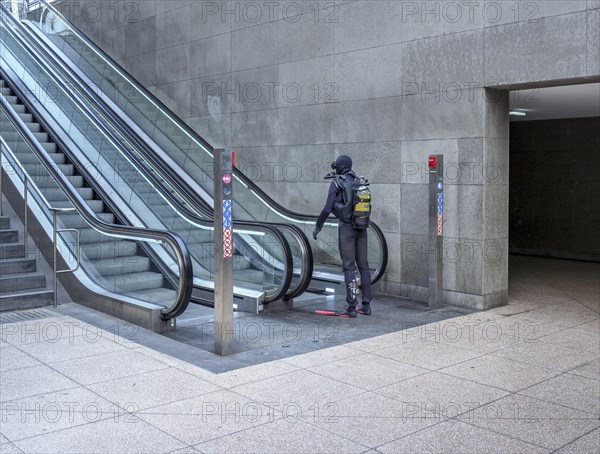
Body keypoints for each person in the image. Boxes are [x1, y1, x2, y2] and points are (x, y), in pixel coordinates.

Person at [313, 155, 372, 318]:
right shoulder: (360, 182)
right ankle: (366, 304)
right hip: (361, 227)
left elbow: (326, 209)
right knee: (364, 266)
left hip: (346, 229)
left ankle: (352, 306)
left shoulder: (337, 183)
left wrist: (318, 226)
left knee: (349, 267)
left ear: (339, 167)